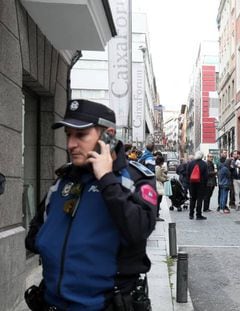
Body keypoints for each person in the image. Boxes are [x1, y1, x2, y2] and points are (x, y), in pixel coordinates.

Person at [25, 99, 156, 310]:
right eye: (68, 134)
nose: (70, 144)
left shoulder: (135, 179)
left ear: (109, 136)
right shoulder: (64, 180)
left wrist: (106, 179)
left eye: (81, 135)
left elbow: (138, 230)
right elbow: (36, 232)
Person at [187, 150, 208, 220]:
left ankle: (191, 214)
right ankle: (198, 215)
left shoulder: (191, 163)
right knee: (199, 199)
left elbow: (187, 174)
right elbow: (206, 176)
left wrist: (189, 183)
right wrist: (205, 184)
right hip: (201, 184)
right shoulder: (204, 164)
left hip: (192, 184)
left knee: (192, 199)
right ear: (202, 156)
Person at [155, 155, 168, 221]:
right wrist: (164, 179)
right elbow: (158, 177)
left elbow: (161, 174)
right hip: (158, 185)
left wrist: (166, 177)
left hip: (158, 184)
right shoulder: (157, 167)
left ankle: (157, 214)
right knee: (158, 200)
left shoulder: (158, 167)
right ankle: (156, 215)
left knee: (158, 200)